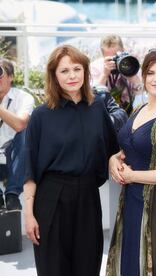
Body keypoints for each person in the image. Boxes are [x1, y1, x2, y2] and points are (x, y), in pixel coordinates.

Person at [23, 45, 118, 276]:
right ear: (54, 75)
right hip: (51, 198)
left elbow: (113, 151)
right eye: (64, 71)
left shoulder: (97, 108)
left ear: (86, 72)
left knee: (88, 265)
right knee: (53, 268)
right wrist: (28, 215)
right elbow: (30, 170)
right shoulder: (41, 115)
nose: (72, 75)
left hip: (88, 197)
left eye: (77, 69)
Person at [106, 49, 156, 276]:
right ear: (143, 77)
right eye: (151, 73)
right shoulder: (140, 108)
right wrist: (114, 158)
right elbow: (130, 146)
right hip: (131, 201)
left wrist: (131, 176)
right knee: (130, 264)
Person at [0, 58, 34, 210]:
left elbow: (20, 124)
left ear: (10, 77)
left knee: (27, 132)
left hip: (14, 159)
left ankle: (12, 194)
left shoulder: (23, 97)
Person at [90, 34, 143, 114]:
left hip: (131, 110)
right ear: (103, 55)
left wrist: (134, 79)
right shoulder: (95, 67)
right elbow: (93, 98)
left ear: (123, 50)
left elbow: (143, 98)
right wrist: (104, 75)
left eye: (117, 56)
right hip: (105, 112)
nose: (115, 62)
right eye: (111, 59)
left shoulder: (131, 64)